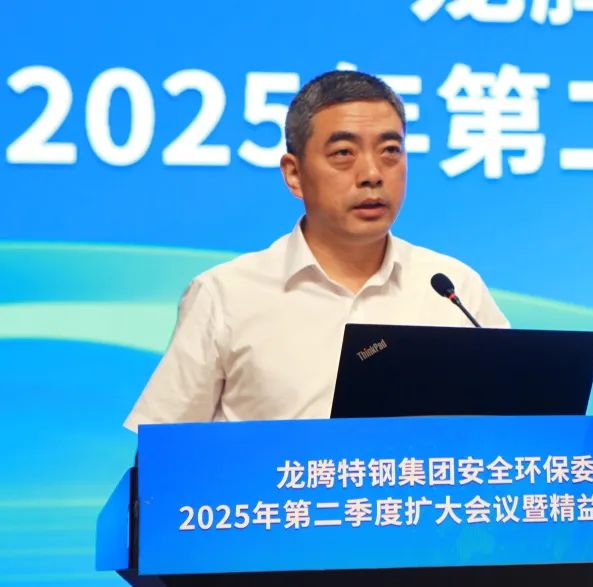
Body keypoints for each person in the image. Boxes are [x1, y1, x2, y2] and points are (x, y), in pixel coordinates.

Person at [124, 71, 508, 431]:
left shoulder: (452, 288)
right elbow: (161, 450)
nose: (372, 174)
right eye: (343, 153)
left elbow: (520, 424)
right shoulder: (226, 295)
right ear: (294, 174)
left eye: (390, 150)